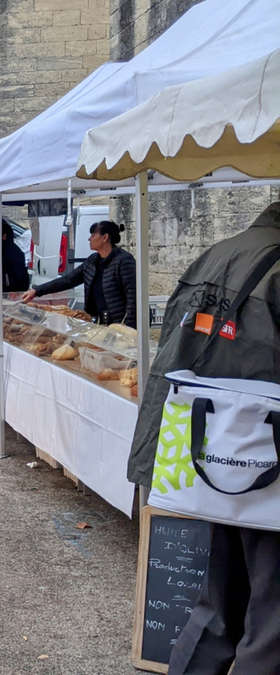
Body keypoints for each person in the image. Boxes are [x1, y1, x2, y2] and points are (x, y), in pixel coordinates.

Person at [127, 200, 280, 674]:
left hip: (212, 457)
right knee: (272, 619)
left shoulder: (215, 253)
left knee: (216, 604)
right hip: (267, 462)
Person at [21, 220, 136, 326]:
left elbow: (132, 295)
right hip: (97, 321)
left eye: (93, 235)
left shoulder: (124, 260)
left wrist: (128, 325)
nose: (89, 239)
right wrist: (37, 291)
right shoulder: (93, 260)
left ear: (105, 237)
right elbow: (68, 280)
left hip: (118, 323)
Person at [0, 223, 31, 293]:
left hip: (8, 296)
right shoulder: (2, 251)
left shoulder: (13, 253)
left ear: (4, 236)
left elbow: (19, 279)